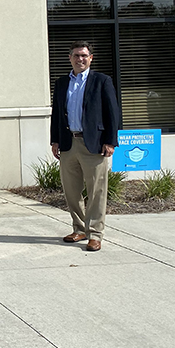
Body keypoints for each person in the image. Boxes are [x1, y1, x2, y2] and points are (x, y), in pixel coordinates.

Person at [50, 41, 121, 252]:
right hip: (68, 143)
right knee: (71, 191)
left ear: (91, 58)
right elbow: (56, 114)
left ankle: (95, 234)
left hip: (94, 144)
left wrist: (110, 141)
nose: (79, 59)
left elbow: (113, 113)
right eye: (76, 55)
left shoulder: (102, 81)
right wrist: (55, 140)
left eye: (83, 55)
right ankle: (79, 228)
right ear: (70, 58)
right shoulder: (62, 83)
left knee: (96, 191)